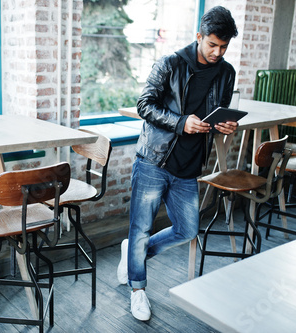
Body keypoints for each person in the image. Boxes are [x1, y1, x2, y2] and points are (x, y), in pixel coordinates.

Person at [116, 6, 239, 321]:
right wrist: (181, 122)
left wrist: (224, 125)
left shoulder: (226, 73)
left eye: (223, 47)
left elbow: (218, 112)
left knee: (187, 229)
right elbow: (145, 104)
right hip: (154, 160)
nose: (217, 52)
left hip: (190, 164)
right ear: (199, 36)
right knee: (141, 227)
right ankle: (138, 289)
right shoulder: (170, 64)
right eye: (212, 44)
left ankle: (134, 252)